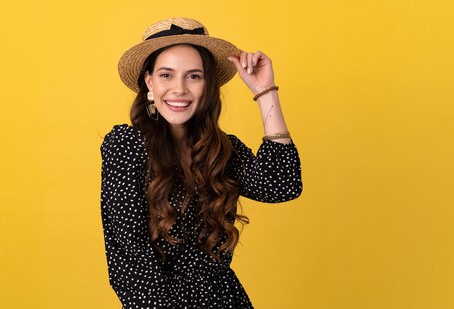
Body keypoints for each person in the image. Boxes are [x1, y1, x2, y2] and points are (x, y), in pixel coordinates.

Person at [100, 17, 302, 308]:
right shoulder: (126, 145)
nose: (179, 88)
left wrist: (265, 91)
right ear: (149, 82)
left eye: (193, 76)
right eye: (166, 75)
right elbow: (131, 259)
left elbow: (282, 185)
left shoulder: (221, 149)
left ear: (208, 86)